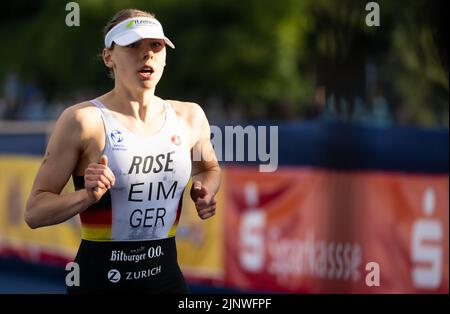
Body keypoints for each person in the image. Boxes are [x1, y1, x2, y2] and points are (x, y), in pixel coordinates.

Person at [24, 8, 221, 294]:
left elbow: (209, 169)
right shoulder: (83, 120)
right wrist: (86, 197)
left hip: (167, 283)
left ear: (165, 55)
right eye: (133, 45)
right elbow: (34, 212)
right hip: (100, 284)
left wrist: (206, 189)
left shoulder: (190, 116)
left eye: (156, 45)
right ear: (109, 57)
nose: (147, 54)